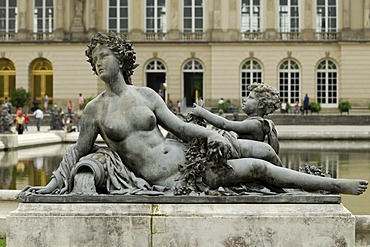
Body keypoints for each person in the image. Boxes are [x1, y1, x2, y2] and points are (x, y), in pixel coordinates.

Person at [21, 32, 367, 197]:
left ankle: (313, 186)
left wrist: (211, 133)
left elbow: (179, 127)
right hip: (172, 178)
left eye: (106, 54)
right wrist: (51, 185)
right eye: (95, 57)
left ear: (122, 59)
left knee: (261, 152)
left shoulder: (147, 94)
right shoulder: (94, 109)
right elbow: (76, 152)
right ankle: (335, 185)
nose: (100, 61)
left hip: (187, 154)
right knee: (258, 168)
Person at [191, 83, 280, 154]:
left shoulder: (255, 124)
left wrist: (202, 112)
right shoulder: (255, 122)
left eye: (250, 98)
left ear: (260, 105)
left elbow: (225, 124)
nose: (244, 100)